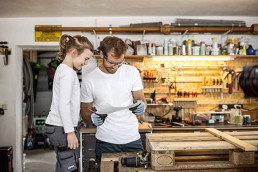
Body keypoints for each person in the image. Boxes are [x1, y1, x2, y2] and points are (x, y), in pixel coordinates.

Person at [80, 36, 147, 165]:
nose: (115, 67)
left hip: (133, 139)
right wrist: (92, 118)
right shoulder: (90, 80)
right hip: (106, 142)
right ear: (101, 54)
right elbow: (84, 113)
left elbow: (141, 100)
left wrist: (142, 106)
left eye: (119, 63)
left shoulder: (132, 72)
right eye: (111, 62)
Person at [45, 34, 94, 172]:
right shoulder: (67, 73)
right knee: (69, 167)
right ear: (74, 52)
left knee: (63, 165)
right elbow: (64, 104)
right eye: (85, 59)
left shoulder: (64, 69)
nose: (86, 63)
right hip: (61, 128)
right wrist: (70, 132)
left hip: (59, 127)